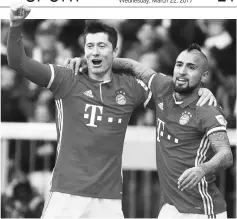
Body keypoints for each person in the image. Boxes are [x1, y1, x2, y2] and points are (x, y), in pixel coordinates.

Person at [7, 4, 216, 218]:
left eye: (101, 46)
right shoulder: (66, 78)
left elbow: (171, 97)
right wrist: (15, 26)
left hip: (109, 200)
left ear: (114, 51)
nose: (95, 51)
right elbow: (18, 62)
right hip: (66, 195)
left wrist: (199, 91)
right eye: (90, 46)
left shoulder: (130, 87)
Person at [67, 44, 233, 219]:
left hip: (202, 211)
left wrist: (202, 169)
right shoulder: (164, 87)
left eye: (191, 67)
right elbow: (132, 66)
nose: (182, 71)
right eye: (179, 64)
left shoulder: (206, 108)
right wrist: (91, 62)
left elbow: (226, 155)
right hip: (171, 208)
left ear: (204, 75)